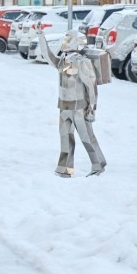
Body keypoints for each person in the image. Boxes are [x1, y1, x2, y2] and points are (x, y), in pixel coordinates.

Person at [36, 27, 106, 178]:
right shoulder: (63, 60)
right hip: (64, 106)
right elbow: (48, 57)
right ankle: (65, 168)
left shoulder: (83, 62)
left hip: (79, 107)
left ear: (76, 42)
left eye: (68, 39)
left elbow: (91, 87)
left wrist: (92, 108)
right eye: (65, 39)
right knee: (65, 138)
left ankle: (98, 164)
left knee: (87, 138)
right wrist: (41, 37)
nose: (65, 42)